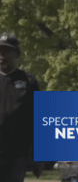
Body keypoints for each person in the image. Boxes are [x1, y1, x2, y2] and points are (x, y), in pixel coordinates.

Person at [0, 32, 41, 182]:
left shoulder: (28, 82)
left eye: (7, 51)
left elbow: (38, 121)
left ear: (16, 54)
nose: (2, 55)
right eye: (0, 51)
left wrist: (38, 159)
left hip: (16, 157)